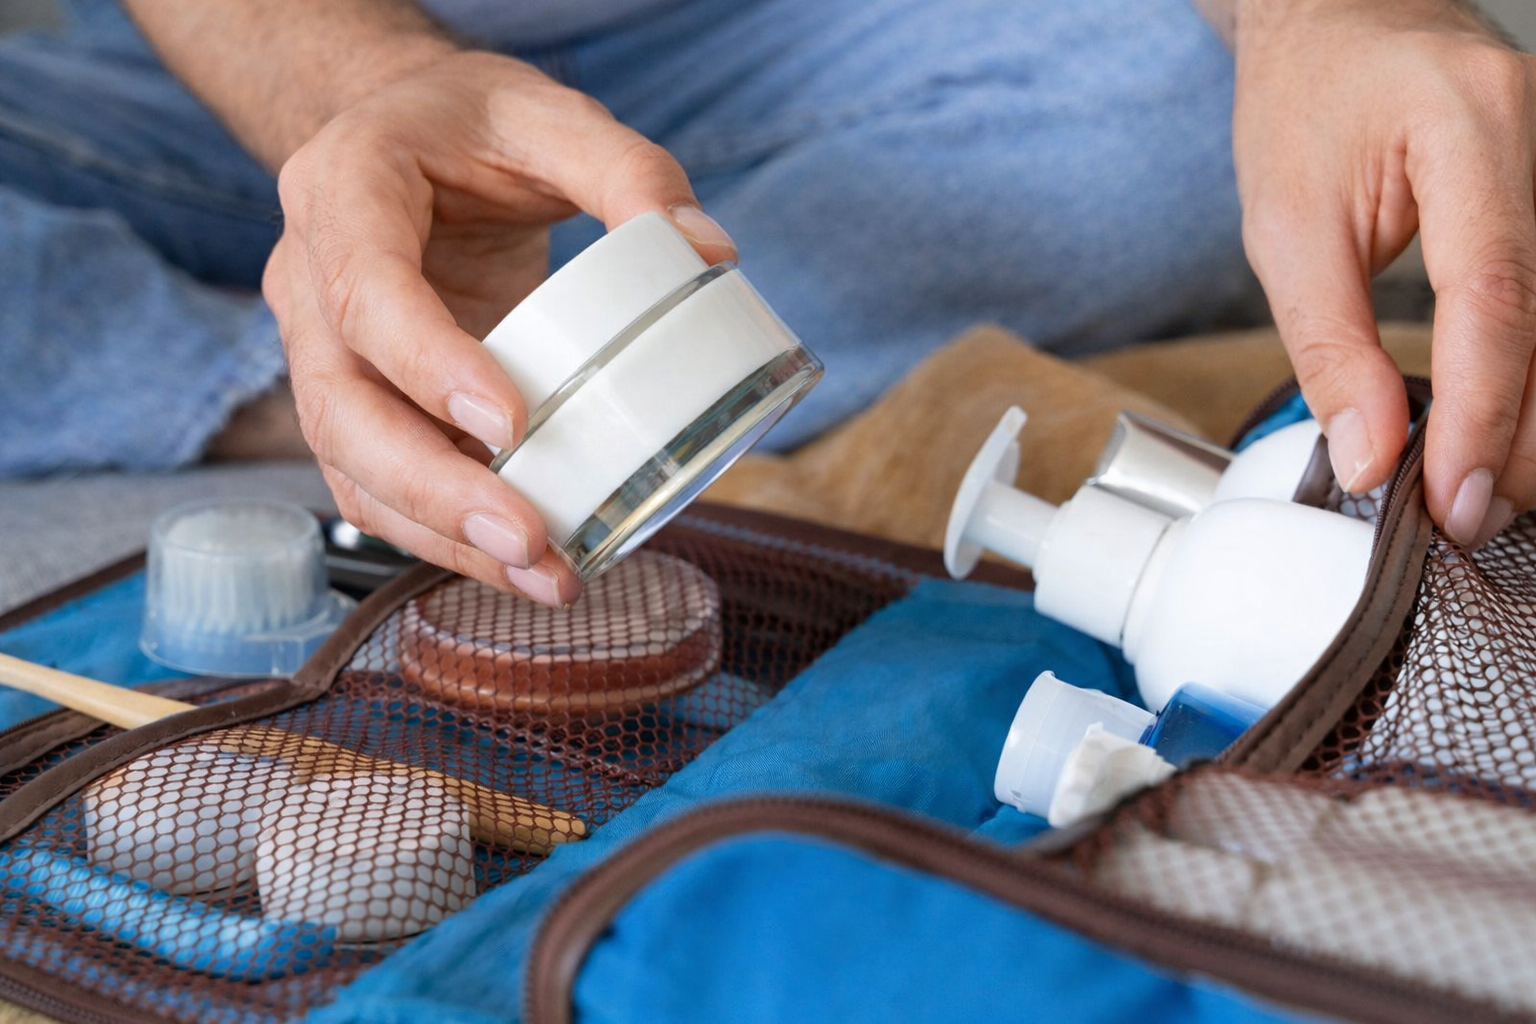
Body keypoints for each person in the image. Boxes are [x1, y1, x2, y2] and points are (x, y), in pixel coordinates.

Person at [1, 0, 1532, 607]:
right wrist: (362, 94)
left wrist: (1336, 12)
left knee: (1183, 96)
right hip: (230, 67)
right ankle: (289, 373)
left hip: (783, 38)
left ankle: (439, 353)